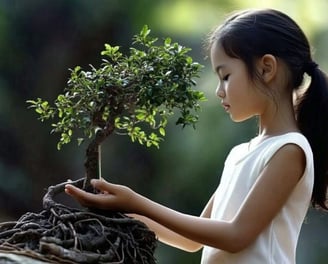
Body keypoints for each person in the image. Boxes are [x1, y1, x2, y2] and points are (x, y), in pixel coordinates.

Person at [65, 9, 328, 264]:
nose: (219, 91)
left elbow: (236, 236)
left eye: (226, 76)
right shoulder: (240, 153)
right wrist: (123, 209)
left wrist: (136, 201)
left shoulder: (289, 149)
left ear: (266, 68)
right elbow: (191, 240)